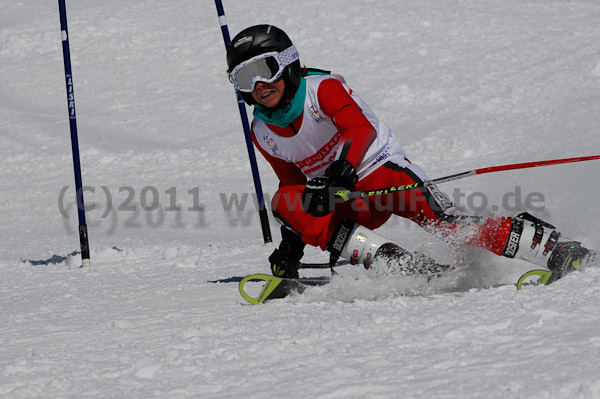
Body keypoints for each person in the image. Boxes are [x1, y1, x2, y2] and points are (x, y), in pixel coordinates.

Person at [225, 24, 594, 280]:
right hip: (346, 200)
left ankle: (550, 247)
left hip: (382, 174)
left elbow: (360, 128)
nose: (259, 85)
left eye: (265, 69)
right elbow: (295, 187)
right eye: (245, 78)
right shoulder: (262, 131)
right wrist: (293, 244)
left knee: (448, 224)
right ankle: (396, 264)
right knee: (283, 200)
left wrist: (342, 170)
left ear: (287, 64)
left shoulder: (320, 90)